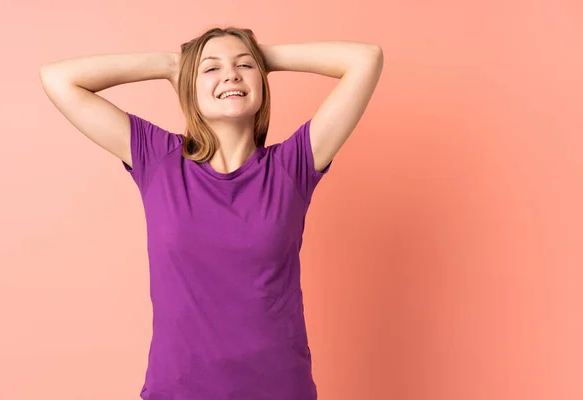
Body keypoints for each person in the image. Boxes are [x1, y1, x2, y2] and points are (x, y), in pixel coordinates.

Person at [40, 26, 383, 400]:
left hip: (280, 390)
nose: (230, 75)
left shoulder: (293, 165)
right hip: (177, 391)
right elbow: (59, 79)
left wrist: (263, 56)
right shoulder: (158, 159)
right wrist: (173, 63)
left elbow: (365, 59)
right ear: (188, 86)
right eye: (211, 69)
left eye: (244, 67)